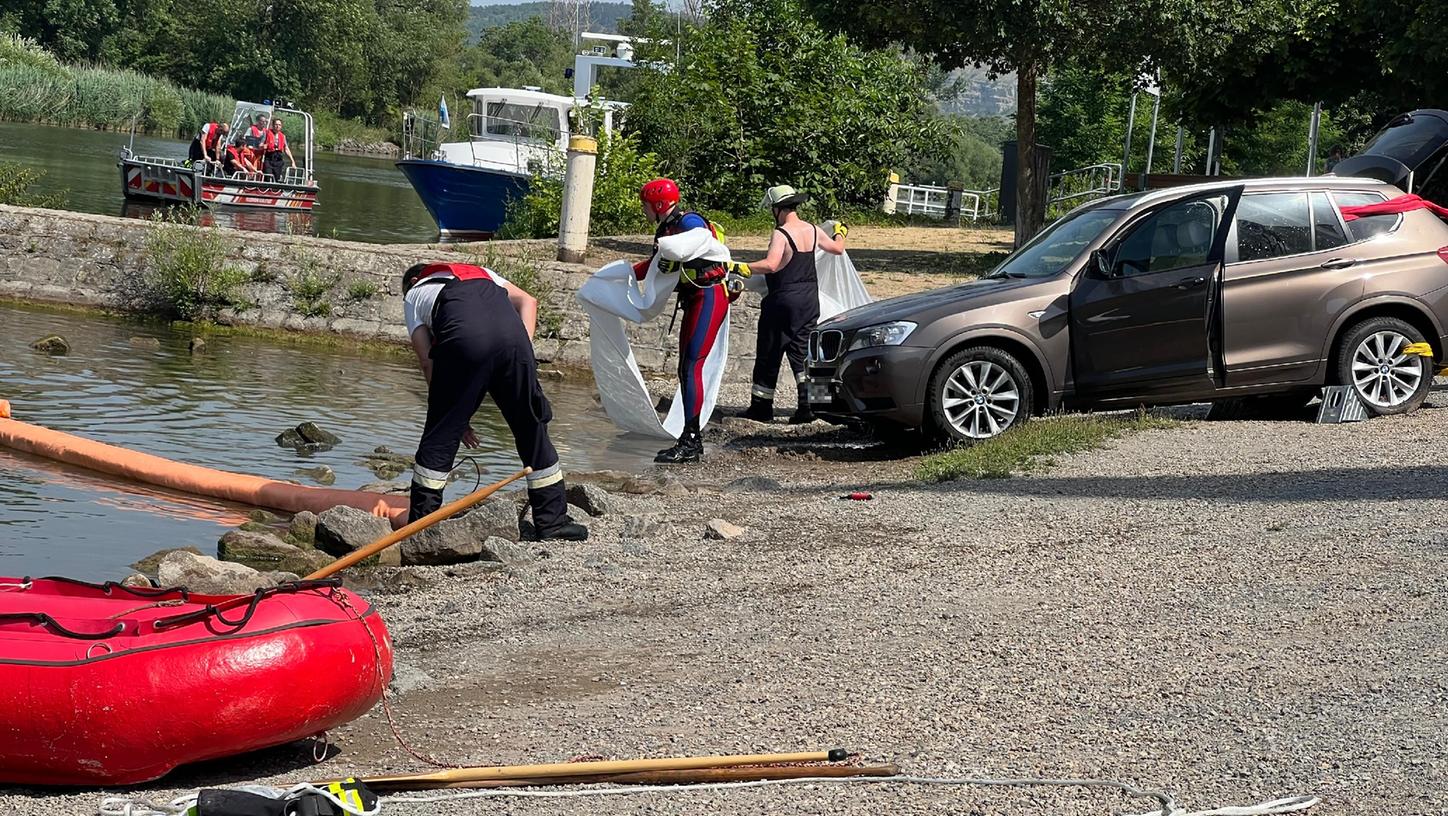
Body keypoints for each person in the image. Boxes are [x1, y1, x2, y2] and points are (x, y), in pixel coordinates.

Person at [401, 261, 588, 541]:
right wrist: (519, 355)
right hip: (514, 338)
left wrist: (454, 415)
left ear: (415, 279)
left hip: (464, 340)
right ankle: (552, 522)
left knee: (440, 437)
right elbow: (529, 301)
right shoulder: (482, 272)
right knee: (531, 426)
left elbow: (428, 361)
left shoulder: (414, 294)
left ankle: (421, 529)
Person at [633, 178, 747, 464]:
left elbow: (697, 238)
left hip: (709, 296)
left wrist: (673, 251)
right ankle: (689, 437)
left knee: (691, 366)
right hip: (695, 299)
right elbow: (653, 265)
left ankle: (692, 441)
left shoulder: (688, 221)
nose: (644, 210)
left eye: (645, 205)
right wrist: (620, 276)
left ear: (659, 205)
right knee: (686, 367)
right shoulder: (667, 228)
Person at [737, 185, 846, 424]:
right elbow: (838, 249)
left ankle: (761, 408)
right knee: (804, 353)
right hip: (809, 300)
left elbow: (772, 264)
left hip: (783, 300)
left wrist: (741, 267)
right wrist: (840, 232)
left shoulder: (782, 233)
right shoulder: (814, 230)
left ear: (777, 209)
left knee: (770, 351)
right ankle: (812, 407)